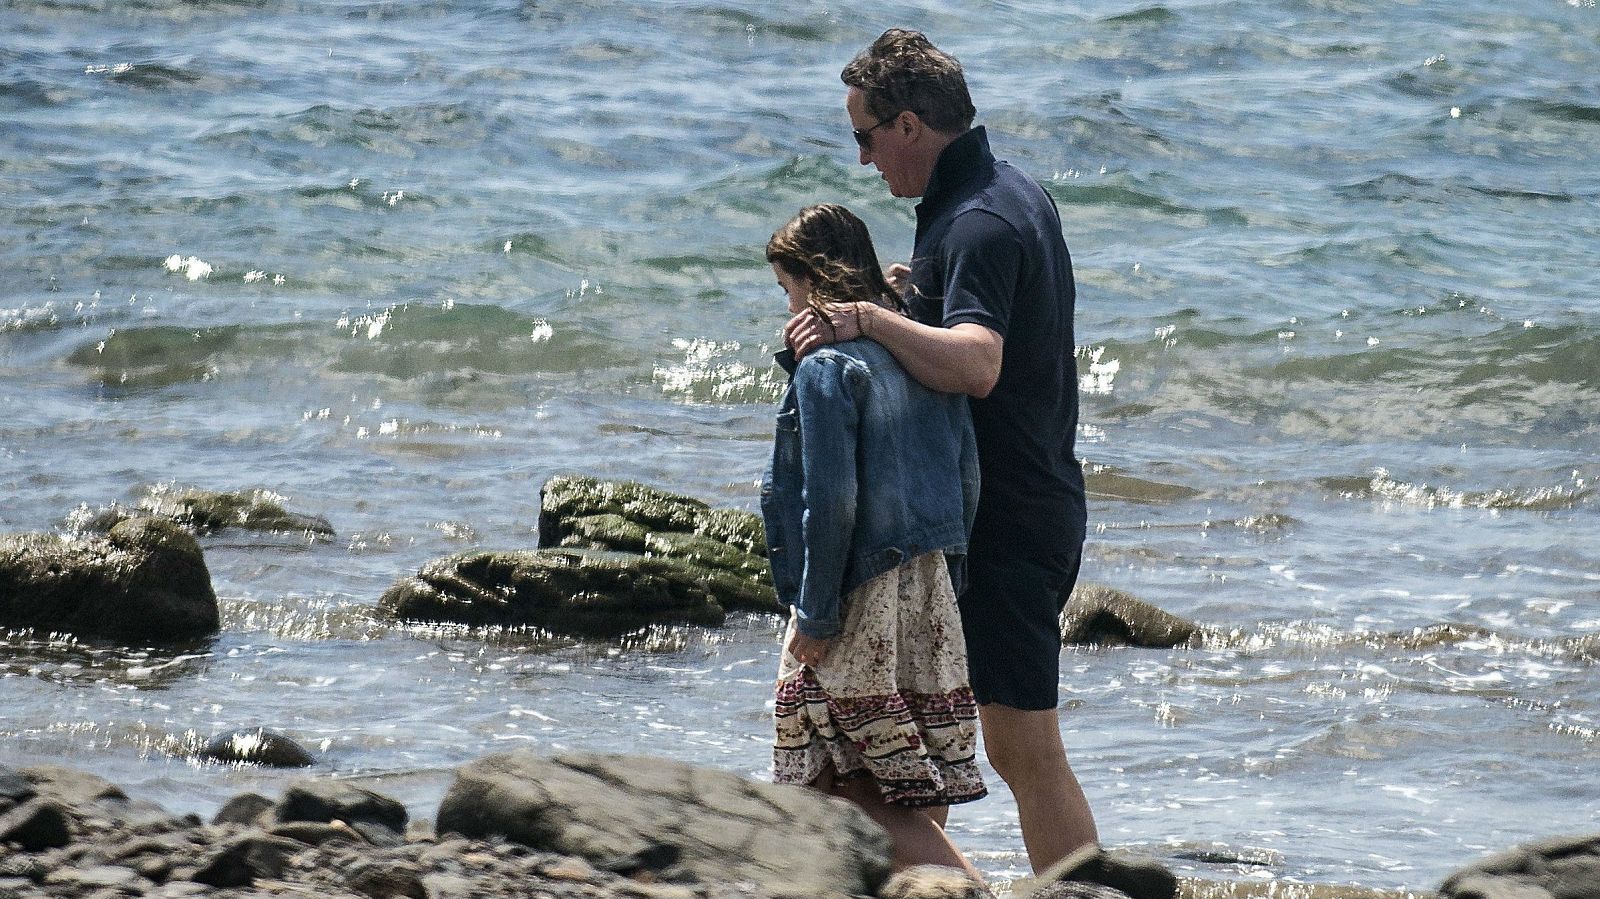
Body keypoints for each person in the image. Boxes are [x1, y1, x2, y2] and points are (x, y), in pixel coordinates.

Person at [784, 29, 1100, 874]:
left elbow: (978, 361)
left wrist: (868, 319)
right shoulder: (1004, 194)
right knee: (1011, 747)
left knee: (1026, 748)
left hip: (1013, 520)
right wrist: (904, 297)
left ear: (911, 125)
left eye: (865, 136)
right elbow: (966, 326)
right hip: (1021, 507)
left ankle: (1070, 891)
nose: (862, 161)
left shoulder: (978, 221)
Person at [761, 203, 985, 880]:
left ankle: (971, 892)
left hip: (855, 588)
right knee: (898, 775)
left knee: (833, 780)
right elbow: (966, 471)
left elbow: (830, 503)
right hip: (927, 580)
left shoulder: (828, 369)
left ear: (812, 282)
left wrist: (817, 612)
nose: (788, 304)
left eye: (787, 288)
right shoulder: (917, 346)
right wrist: (952, 575)